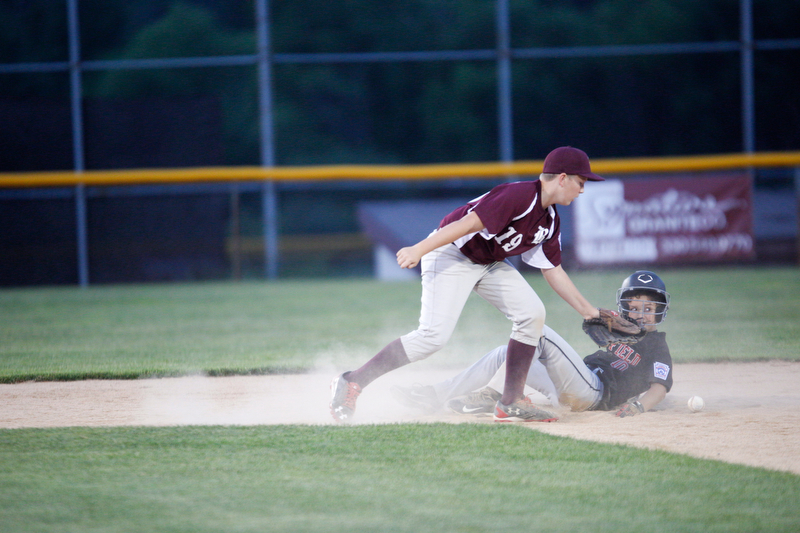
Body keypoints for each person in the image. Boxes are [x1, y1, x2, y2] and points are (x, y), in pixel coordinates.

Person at [330, 146, 608, 423]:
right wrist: (419, 249)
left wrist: (589, 311)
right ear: (562, 178)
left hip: (487, 263)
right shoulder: (519, 195)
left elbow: (552, 270)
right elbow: (466, 224)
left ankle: (510, 401)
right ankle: (352, 382)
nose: (582, 190)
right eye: (580, 182)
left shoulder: (550, 220)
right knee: (432, 338)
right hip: (451, 253)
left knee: (532, 314)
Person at [392, 271, 673, 418]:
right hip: (569, 390)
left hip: (594, 394)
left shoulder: (657, 345)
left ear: (660, 311)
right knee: (506, 354)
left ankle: (494, 395)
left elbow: (659, 388)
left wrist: (639, 407)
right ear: (623, 306)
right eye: (635, 306)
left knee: (538, 331)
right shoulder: (618, 333)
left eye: (649, 308)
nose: (641, 313)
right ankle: (432, 395)